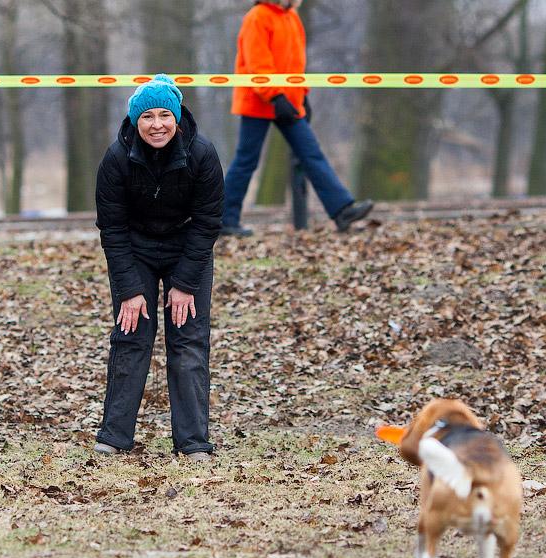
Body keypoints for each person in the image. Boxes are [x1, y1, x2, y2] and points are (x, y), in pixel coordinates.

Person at [93, 74, 222, 462]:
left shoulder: (202, 154)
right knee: (131, 336)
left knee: (188, 340)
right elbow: (111, 228)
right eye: (147, 116)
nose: (157, 124)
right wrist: (130, 289)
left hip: (188, 246)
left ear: (177, 118)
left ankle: (193, 441)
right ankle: (114, 436)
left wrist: (184, 283)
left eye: (165, 114)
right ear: (135, 121)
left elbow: (208, 222)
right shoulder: (116, 159)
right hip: (136, 249)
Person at [220, 0, 373, 237]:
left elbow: (296, 65)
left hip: (289, 103)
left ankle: (342, 210)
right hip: (258, 101)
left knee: (311, 153)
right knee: (246, 161)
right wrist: (275, 96)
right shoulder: (257, 17)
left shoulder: (292, 17)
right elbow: (257, 64)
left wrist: (302, 96)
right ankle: (225, 221)